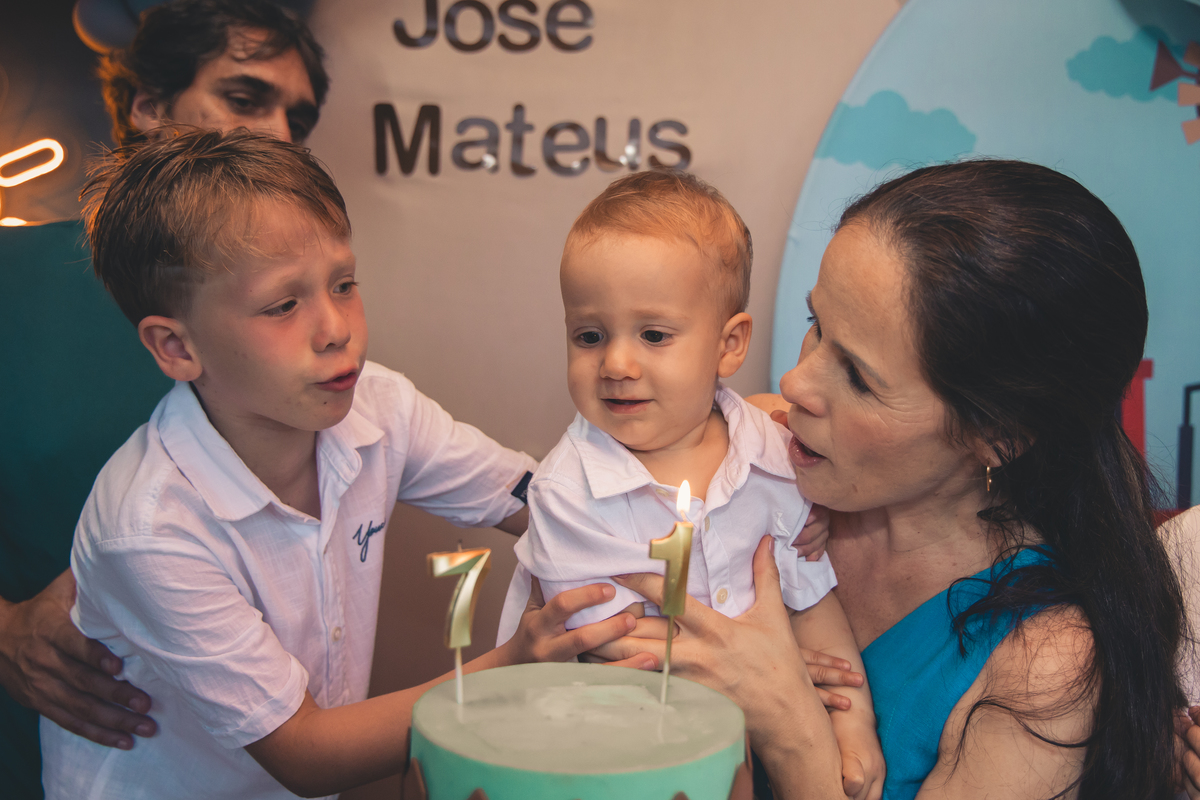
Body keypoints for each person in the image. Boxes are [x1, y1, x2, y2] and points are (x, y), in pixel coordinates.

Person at [40, 128, 656, 799]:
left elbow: (538, 498)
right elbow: (304, 753)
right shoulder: (152, 528)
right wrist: (513, 667)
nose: (337, 328)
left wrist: (709, 496)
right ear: (176, 347)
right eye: (283, 305)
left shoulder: (378, 404)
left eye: (344, 284)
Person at [598, 159, 1191, 798]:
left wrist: (789, 725)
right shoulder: (752, 453)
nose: (795, 383)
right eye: (816, 326)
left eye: (858, 377)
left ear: (997, 435)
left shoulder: (1046, 669)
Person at [0, 0, 330, 759]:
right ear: (149, 107)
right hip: (60, 743)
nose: (281, 136)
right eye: (244, 98)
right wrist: (6, 631)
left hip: (272, 749)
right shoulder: (14, 282)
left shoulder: (309, 307)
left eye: (298, 118)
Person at [494, 169, 882, 797]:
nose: (616, 363)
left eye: (653, 335)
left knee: (814, 598)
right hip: (612, 750)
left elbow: (808, 592)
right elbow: (614, 652)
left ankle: (851, 725)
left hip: (749, 742)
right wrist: (761, 670)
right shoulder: (568, 491)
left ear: (729, 344)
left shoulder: (772, 453)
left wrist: (848, 722)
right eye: (589, 336)